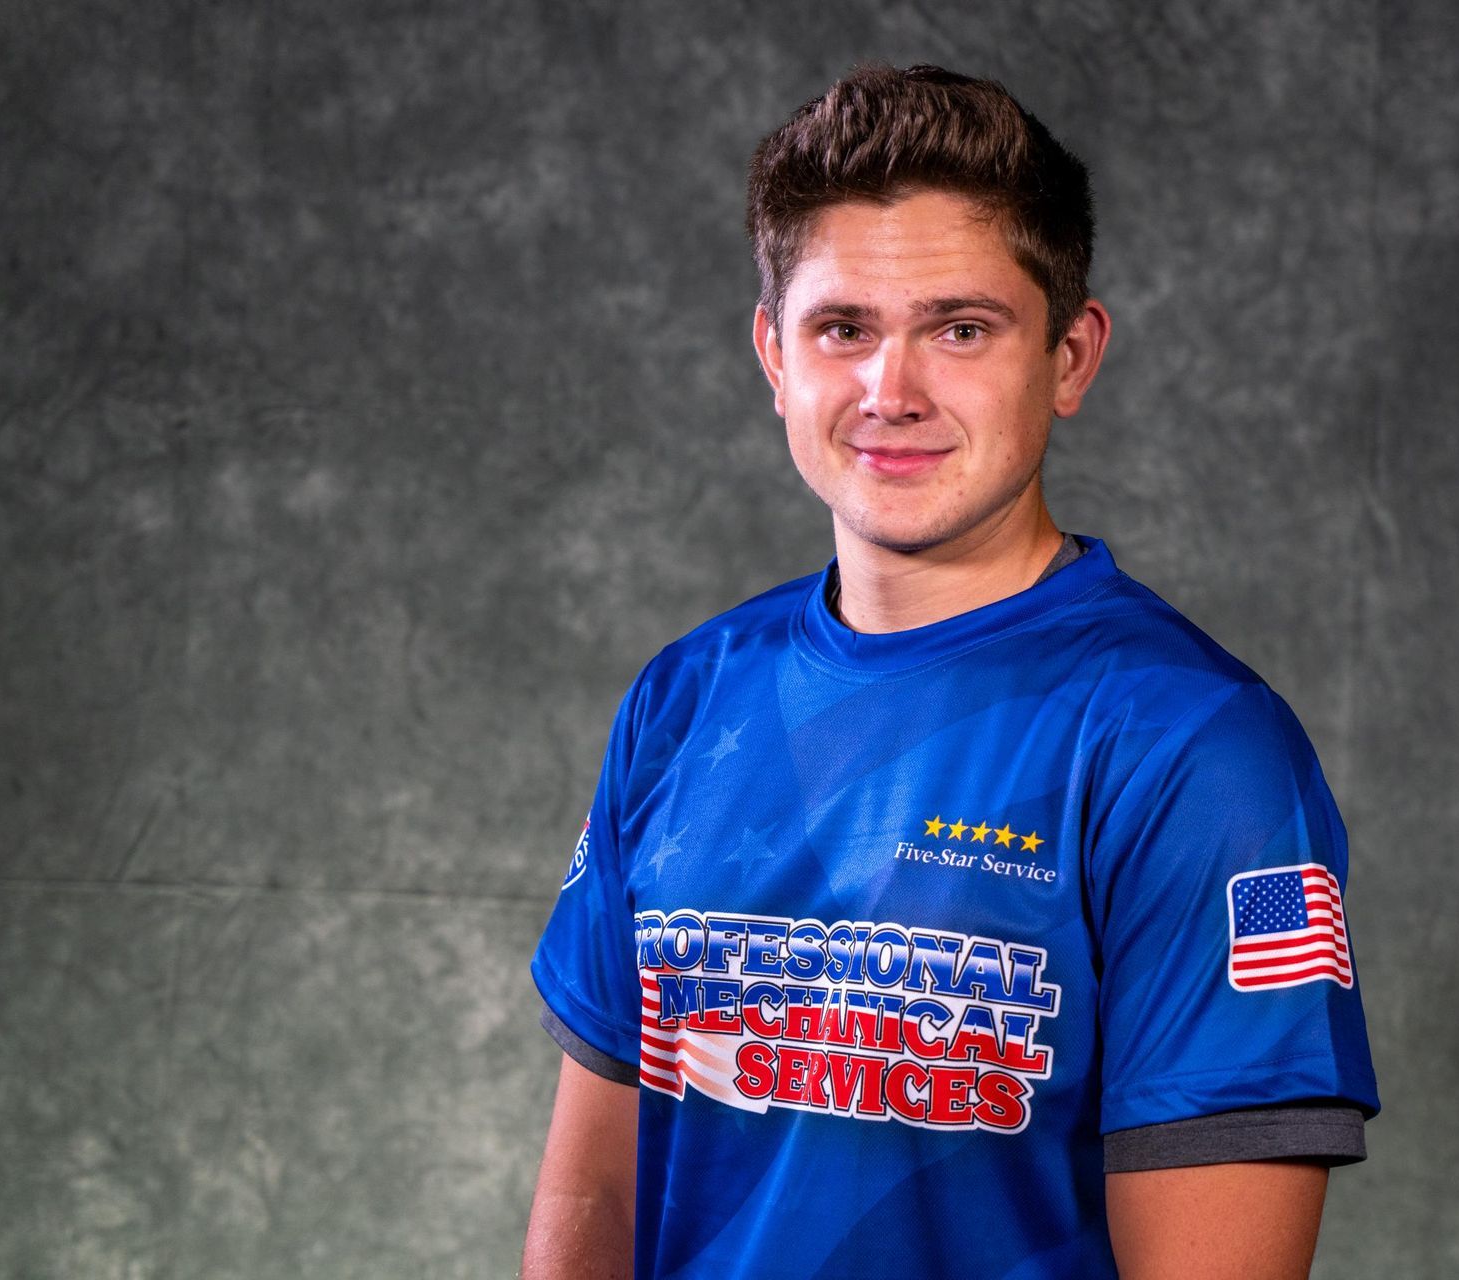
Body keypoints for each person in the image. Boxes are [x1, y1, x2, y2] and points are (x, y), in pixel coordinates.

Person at [523, 63, 1378, 1280]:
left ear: (1070, 358)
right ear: (775, 356)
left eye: (960, 329)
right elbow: (597, 1195)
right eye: (844, 329)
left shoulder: (1197, 751)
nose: (892, 391)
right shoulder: (684, 699)